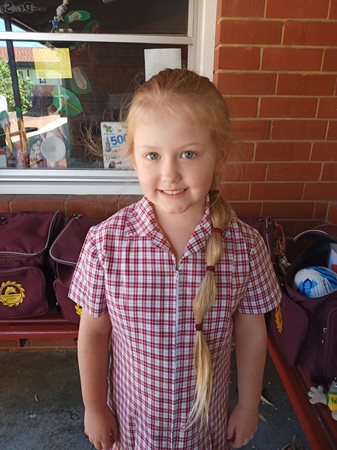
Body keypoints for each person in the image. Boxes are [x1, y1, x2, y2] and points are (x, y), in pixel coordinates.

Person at [69, 68, 282, 450]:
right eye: (152, 155)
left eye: (188, 153)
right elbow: (94, 333)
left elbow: (251, 332)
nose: (169, 173)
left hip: (205, 431)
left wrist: (249, 405)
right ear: (133, 158)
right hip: (133, 428)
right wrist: (94, 407)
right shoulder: (105, 243)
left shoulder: (246, 247)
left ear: (220, 155)